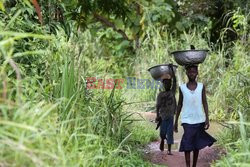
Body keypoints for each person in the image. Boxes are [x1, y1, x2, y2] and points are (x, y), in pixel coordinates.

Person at [174, 65, 216, 167]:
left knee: (197, 144)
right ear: (186, 73)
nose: (192, 73)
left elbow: (205, 102)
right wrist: (175, 121)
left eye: (194, 71)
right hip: (187, 120)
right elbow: (179, 104)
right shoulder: (182, 88)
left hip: (199, 119)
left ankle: (194, 165)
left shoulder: (201, 86)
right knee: (187, 143)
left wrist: (207, 118)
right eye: (190, 71)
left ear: (197, 73)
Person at [155, 64, 176, 154]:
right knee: (162, 133)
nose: (167, 84)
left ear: (171, 84)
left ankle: (169, 150)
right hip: (162, 117)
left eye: (169, 83)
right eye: (165, 83)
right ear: (163, 84)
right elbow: (157, 106)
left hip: (170, 116)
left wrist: (171, 69)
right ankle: (163, 140)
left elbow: (175, 81)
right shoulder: (160, 95)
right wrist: (157, 115)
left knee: (170, 133)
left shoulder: (172, 92)